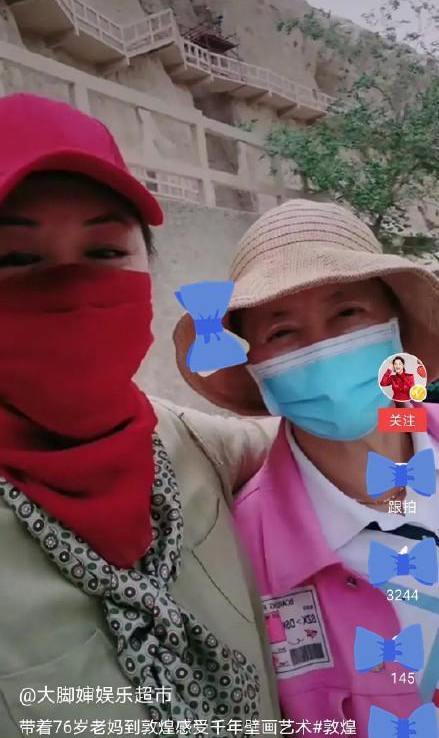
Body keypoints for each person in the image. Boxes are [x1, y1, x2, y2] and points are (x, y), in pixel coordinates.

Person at [0, 93, 281, 735]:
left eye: (104, 253)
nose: (72, 288)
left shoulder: (197, 447)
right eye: (15, 259)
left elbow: (330, 444)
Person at [174, 199, 439, 735]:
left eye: (348, 313)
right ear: (256, 369)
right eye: (282, 333)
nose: (323, 348)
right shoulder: (239, 554)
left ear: (396, 328)